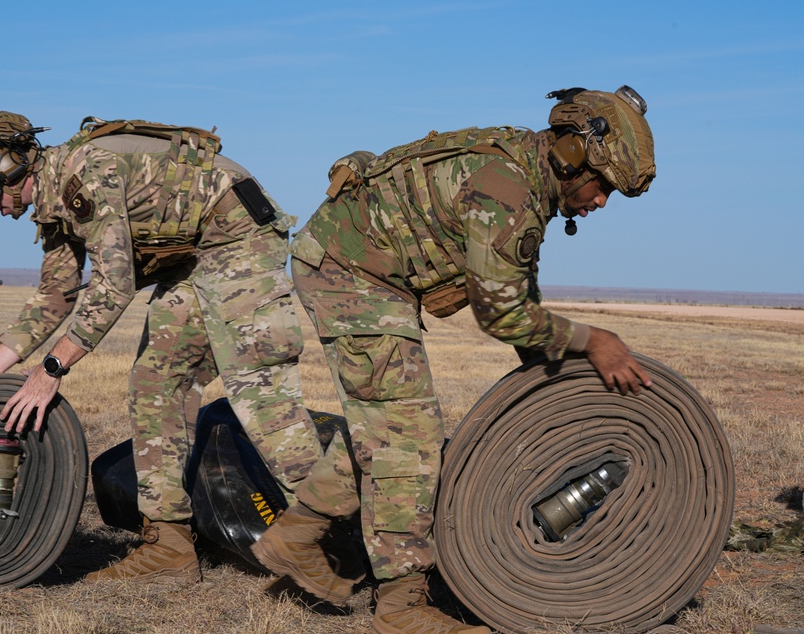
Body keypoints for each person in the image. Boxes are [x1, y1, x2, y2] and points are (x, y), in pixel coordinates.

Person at [251, 86, 657, 634]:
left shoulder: (524, 181)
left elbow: (519, 298)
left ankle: (296, 536)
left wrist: (557, 389)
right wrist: (593, 340)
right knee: (409, 437)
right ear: (573, 156)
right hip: (350, 272)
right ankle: (402, 606)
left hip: (363, 271)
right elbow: (501, 314)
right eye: (603, 186)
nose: (601, 201)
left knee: (382, 426)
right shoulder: (507, 188)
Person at [0, 111, 322, 584]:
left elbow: (114, 284)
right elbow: (56, 294)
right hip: (193, 259)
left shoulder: (87, 174)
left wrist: (51, 369)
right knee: (156, 382)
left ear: (8, 164)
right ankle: (170, 547)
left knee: (261, 399)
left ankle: (332, 538)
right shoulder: (54, 205)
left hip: (239, 242)